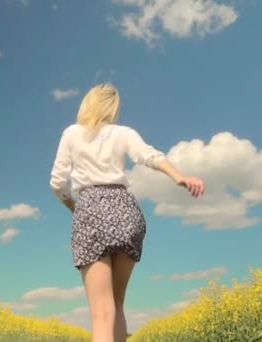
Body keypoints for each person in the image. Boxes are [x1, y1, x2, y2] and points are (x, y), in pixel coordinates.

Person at [49, 83, 205, 342]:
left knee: (101, 312)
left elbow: (57, 182)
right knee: (117, 304)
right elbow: (149, 156)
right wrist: (179, 176)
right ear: (113, 108)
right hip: (125, 210)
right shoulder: (124, 133)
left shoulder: (72, 133)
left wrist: (74, 208)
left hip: (90, 208)